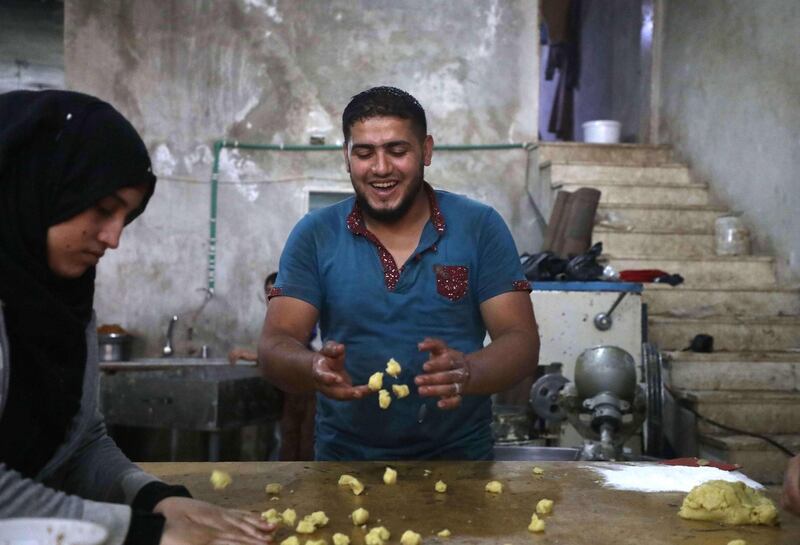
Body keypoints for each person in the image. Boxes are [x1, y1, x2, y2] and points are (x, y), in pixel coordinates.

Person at [0, 90, 274, 545]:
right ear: (36, 185)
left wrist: (157, 499)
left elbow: (78, 446)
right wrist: (141, 532)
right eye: (103, 209)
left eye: (126, 218)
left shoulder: (64, 305)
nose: (113, 239)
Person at [258, 86, 539, 460]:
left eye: (397, 150)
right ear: (346, 157)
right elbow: (275, 343)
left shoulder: (479, 226)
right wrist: (312, 367)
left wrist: (468, 371)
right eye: (364, 153)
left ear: (426, 150)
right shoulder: (315, 234)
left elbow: (520, 340)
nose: (380, 168)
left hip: (460, 465)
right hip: (345, 463)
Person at [228, 272, 316, 461]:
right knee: (289, 436)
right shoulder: (275, 320)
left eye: (275, 291)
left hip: (302, 383)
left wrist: (252, 356)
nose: (271, 296)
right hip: (291, 385)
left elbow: (294, 348)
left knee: (299, 437)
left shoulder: (297, 316)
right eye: (268, 292)